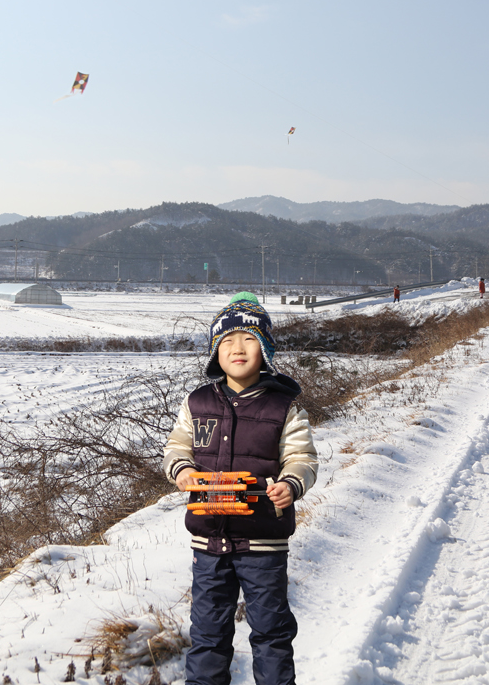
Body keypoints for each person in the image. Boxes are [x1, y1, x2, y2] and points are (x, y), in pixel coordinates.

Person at [164, 293, 318, 685]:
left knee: (272, 634)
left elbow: (302, 458)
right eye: (228, 340)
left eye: (249, 339)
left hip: (263, 541)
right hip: (209, 541)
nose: (238, 348)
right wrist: (181, 470)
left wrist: (290, 484)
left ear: (264, 349)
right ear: (216, 351)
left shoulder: (284, 407)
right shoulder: (197, 402)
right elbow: (176, 447)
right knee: (208, 636)